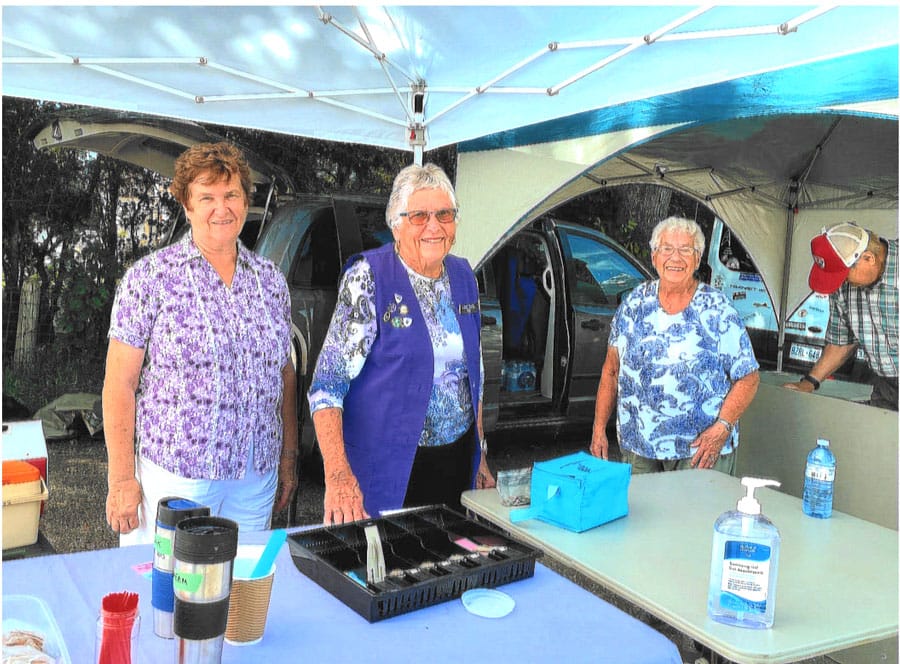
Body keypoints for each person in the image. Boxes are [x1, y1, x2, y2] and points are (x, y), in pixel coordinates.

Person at [102, 142, 298, 545]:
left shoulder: (270, 281)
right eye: (206, 197)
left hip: (253, 477)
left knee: (239, 591)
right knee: (169, 591)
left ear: (246, 201)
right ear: (187, 207)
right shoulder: (150, 278)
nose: (221, 208)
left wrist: (288, 458)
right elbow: (120, 384)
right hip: (178, 478)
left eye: (231, 195)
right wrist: (122, 479)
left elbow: (284, 374)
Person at [307, 163, 494, 524]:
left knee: (447, 566)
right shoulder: (369, 277)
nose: (434, 227)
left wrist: (481, 454)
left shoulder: (463, 276)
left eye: (444, 214)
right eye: (419, 216)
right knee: (383, 572)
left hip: (454, 463)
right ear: (396, 223)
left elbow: (476, 376)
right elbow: (326, 388)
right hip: (387, 467)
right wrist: (339, 477)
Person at [590, 216, 760, 474]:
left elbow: (748, 377)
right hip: (639, 446)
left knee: (696, 515)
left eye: (685, 250)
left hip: (700, 451)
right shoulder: (635, 303)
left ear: (698, 258)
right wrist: (599, 429)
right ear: (654, 256)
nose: (675, 258)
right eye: (667, 248)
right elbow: (611, 371)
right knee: (642, 515)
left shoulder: (718, 309)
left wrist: (722, 427)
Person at [784, 221, 898, 410]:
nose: (841, 282)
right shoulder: (843, 288)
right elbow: (841, 343)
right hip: (885, 386)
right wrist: (809, 382)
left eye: (843, 275)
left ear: (869, 258)